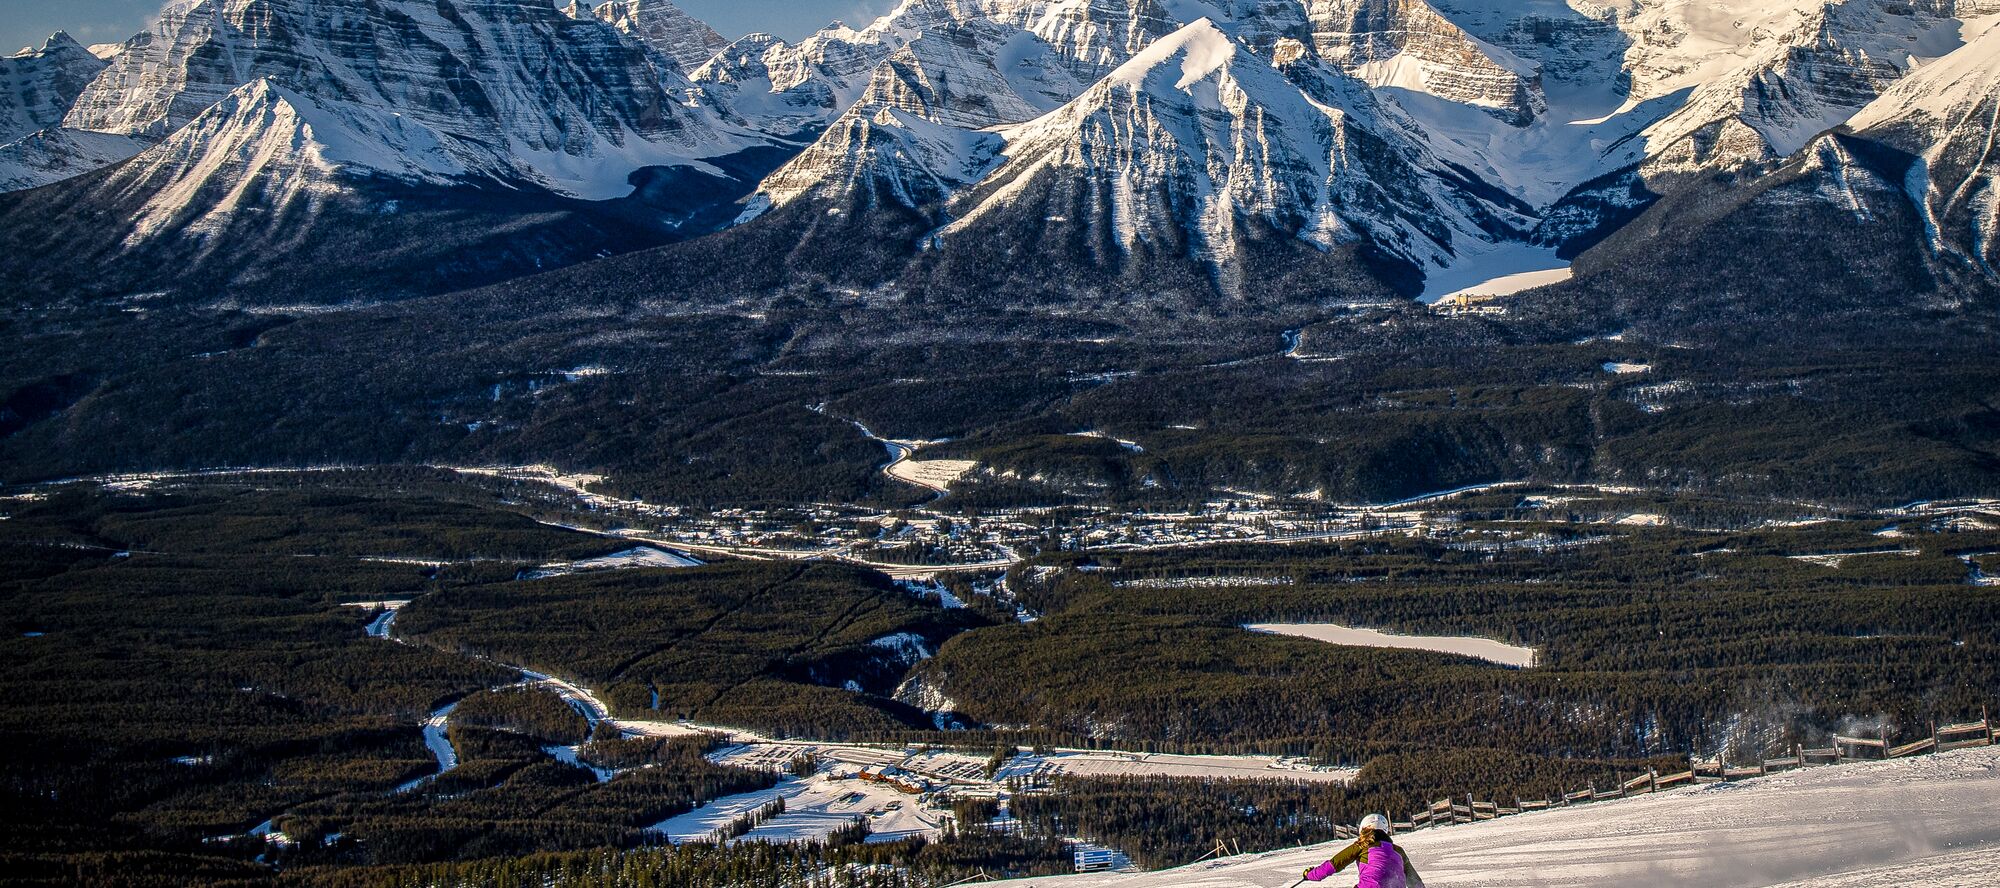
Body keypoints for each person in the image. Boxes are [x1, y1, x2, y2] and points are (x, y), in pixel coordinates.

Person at [1302, 814, 1424, 888]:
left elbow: (1333, 865)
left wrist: (1310, 875)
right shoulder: (1398, 850)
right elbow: (1414, 880)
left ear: (1363, 829)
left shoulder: (1362, 845)